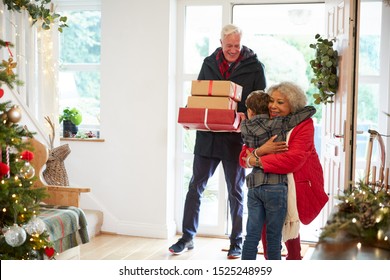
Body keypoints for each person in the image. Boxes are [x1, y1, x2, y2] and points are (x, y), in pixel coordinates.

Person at [169, 24, 267, 259]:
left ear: (241, 43)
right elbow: (202, 95)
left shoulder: (255, 66)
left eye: (236, 45)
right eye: (228, 45)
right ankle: (187, 237)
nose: (232, 50)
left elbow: (261, 101)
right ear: (221, 43)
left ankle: (236, 242)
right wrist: (192, 117)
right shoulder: (209, 63)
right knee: (195, 187)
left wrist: (244, 112)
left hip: (235, 139)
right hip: (207, 137)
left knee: (235, 191)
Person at [241, 81, 328, 260]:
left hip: (298, 180)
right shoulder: (266, 121)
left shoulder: (304, 124)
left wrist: (255, 159)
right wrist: (259, 152)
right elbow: (243, 156)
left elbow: (293, 159)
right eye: (271, 101)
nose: (273, 106)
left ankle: (294, 260)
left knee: (290, 222)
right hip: (267, 183)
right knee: (265, 228)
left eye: (280, 102)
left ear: (293, 105)